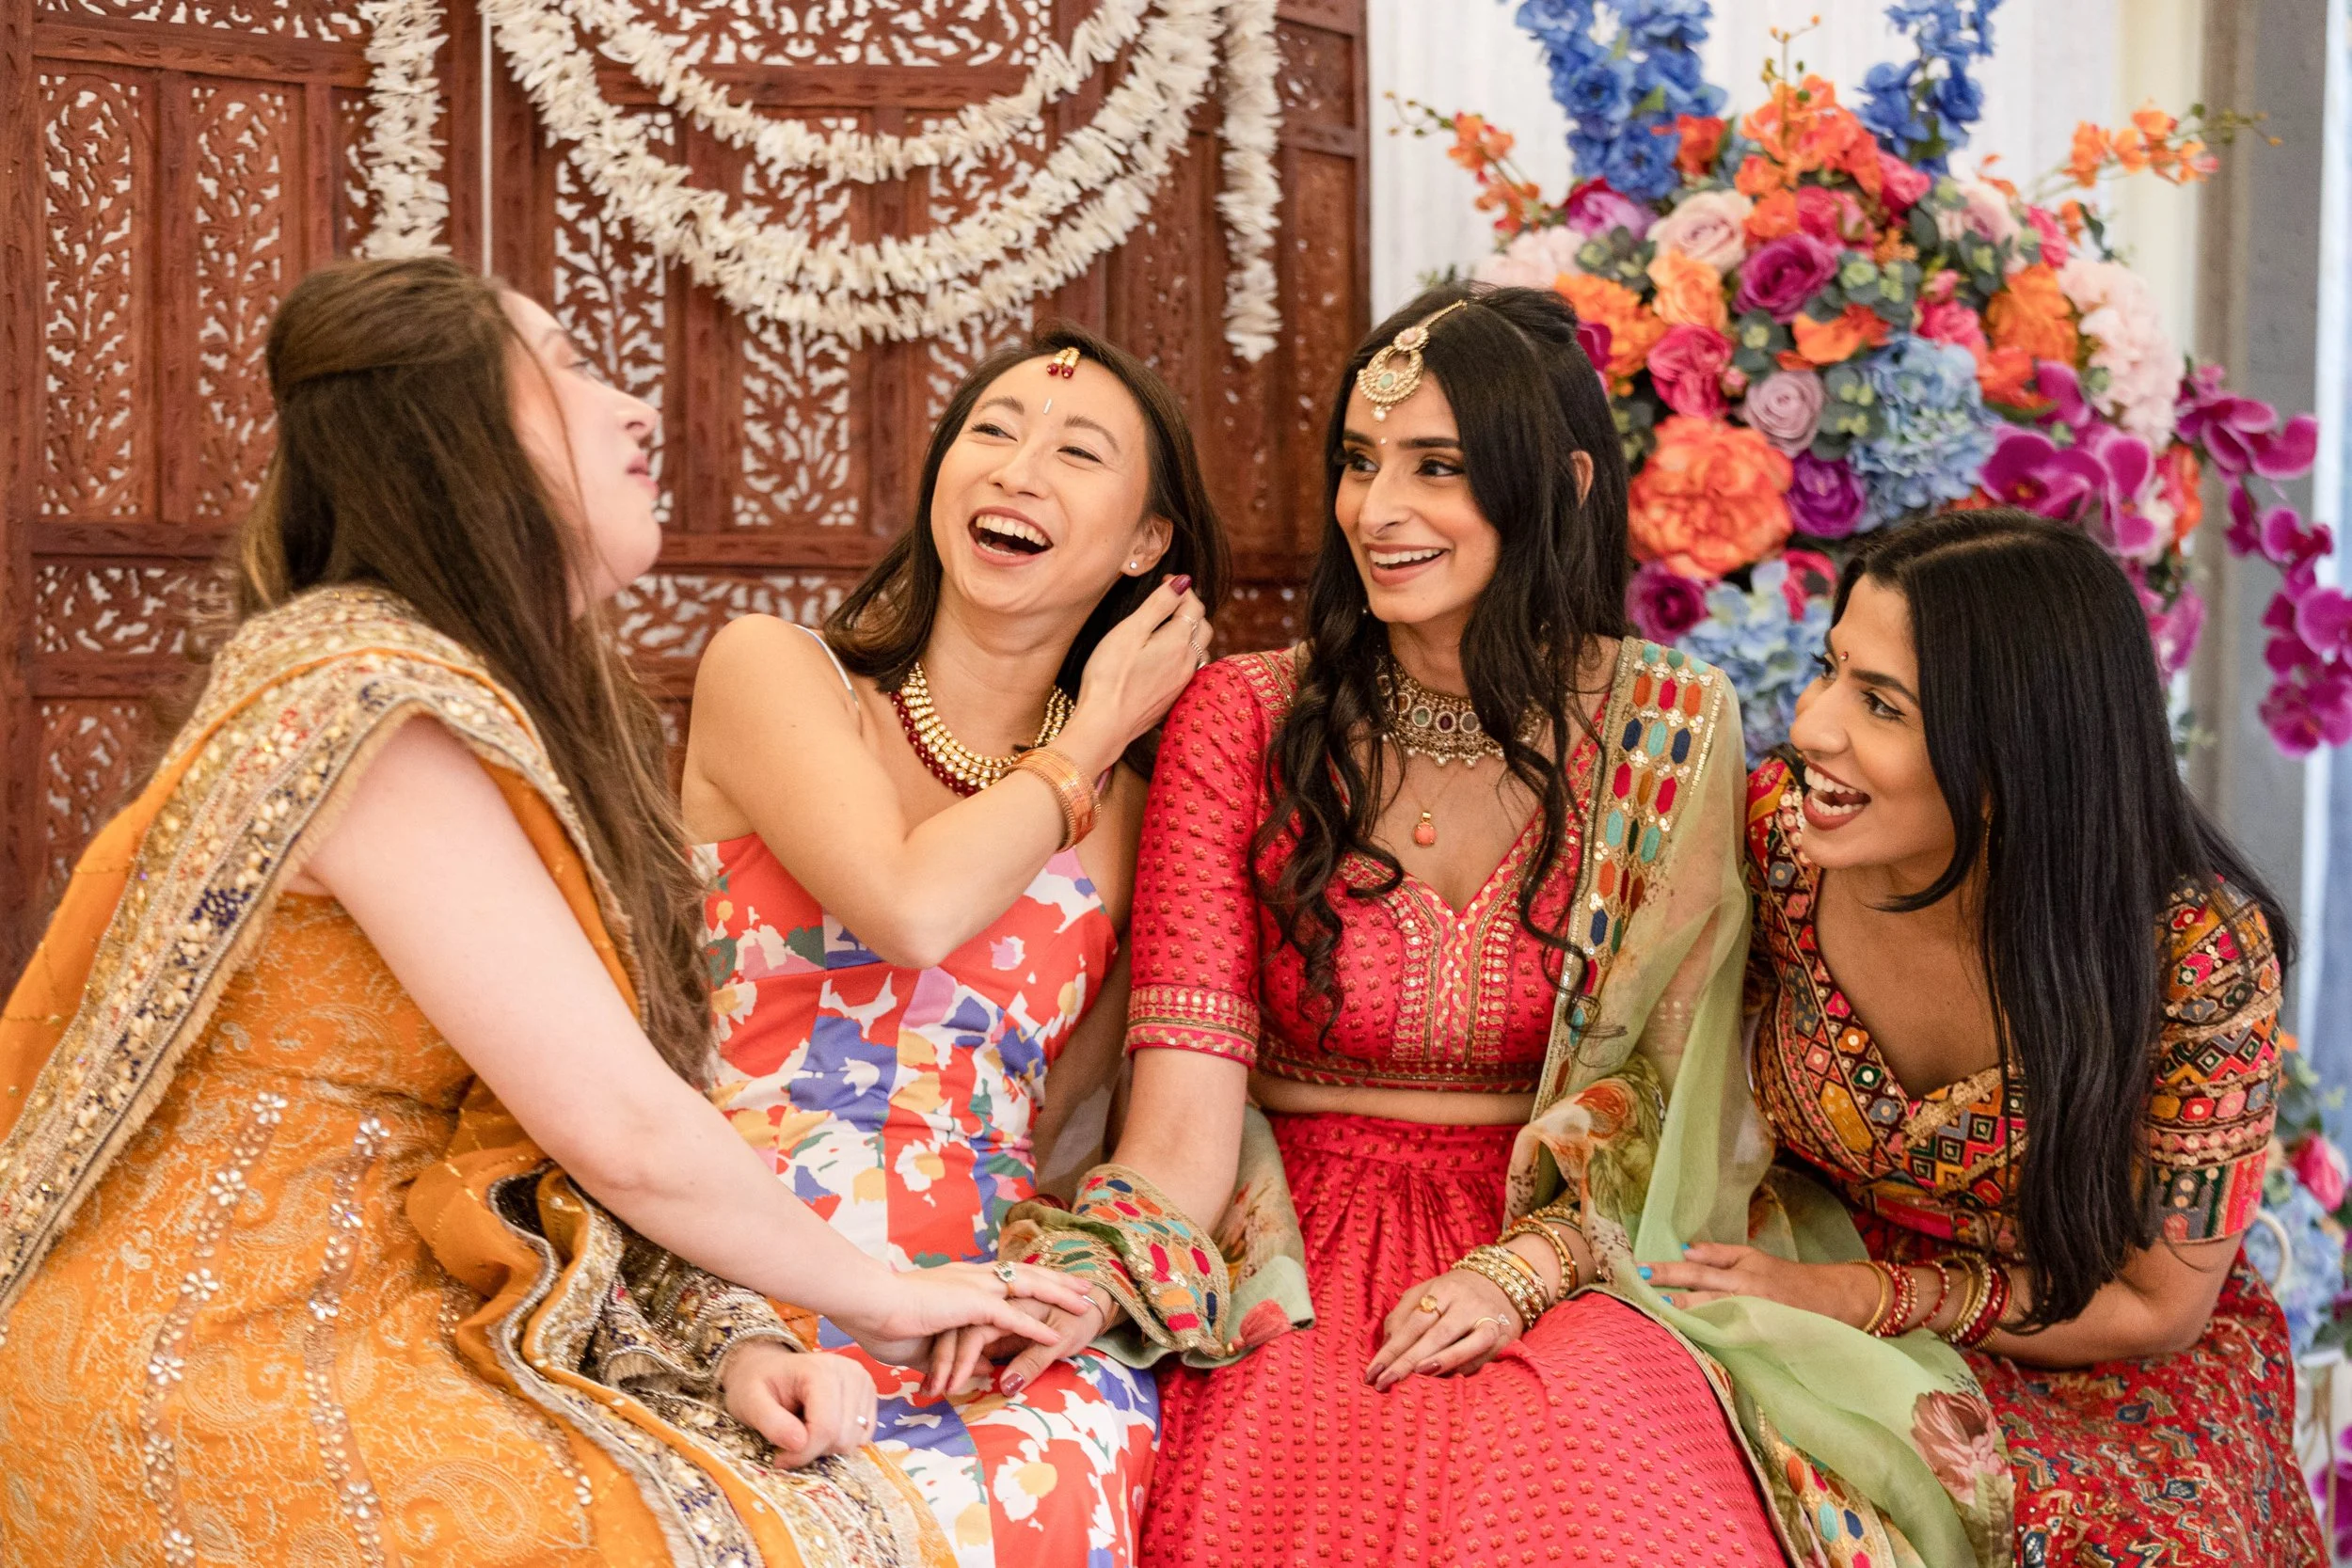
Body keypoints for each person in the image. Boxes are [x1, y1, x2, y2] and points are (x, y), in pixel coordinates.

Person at [0, 256, 1094, 1568]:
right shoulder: (371, 707)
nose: (635, 406)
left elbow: (553, 1120)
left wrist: (731, 1334)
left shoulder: (522, 703)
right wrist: (888, 1295)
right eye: (569, 366)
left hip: (396, 1301)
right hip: (218, 1353)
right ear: (453, 438)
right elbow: (623, 1127)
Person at [979, 282, 1807, 1564]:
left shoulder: (1668, 729)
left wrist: (1517, 1274)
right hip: (1284, 1234)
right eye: (1359, 463)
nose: (1378, 509)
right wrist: (1097, 1273)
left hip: (1574, 1235)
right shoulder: (1241, 719)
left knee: (1608, 1509)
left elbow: (1673, 1093)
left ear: (1564, 481)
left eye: (1438, 466)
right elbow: (1182, 1120)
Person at [1647, 509, 2328, 1564]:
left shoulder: (2194, 957)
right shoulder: (1778, 845)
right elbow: (1644, 1067)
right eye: (1830, 672)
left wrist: (1870, 1296)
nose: (1814, 725)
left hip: (2090, 1350)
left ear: (2013, 757)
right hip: (1796, 1273)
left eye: (1879, 703)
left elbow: (2160, 1303)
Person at [680, 325, 1225, 1564]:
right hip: (728, 1264)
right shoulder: (779, 674)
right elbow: (911, 907)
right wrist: (1084, 745)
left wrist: (1076, 1287)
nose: (1017, 468)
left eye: (1076, 450)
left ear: (1147, 545)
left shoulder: (1148, 817)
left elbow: (1078, 1096)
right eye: (990, 431)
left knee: (1050, 1476)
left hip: (983, 1308)